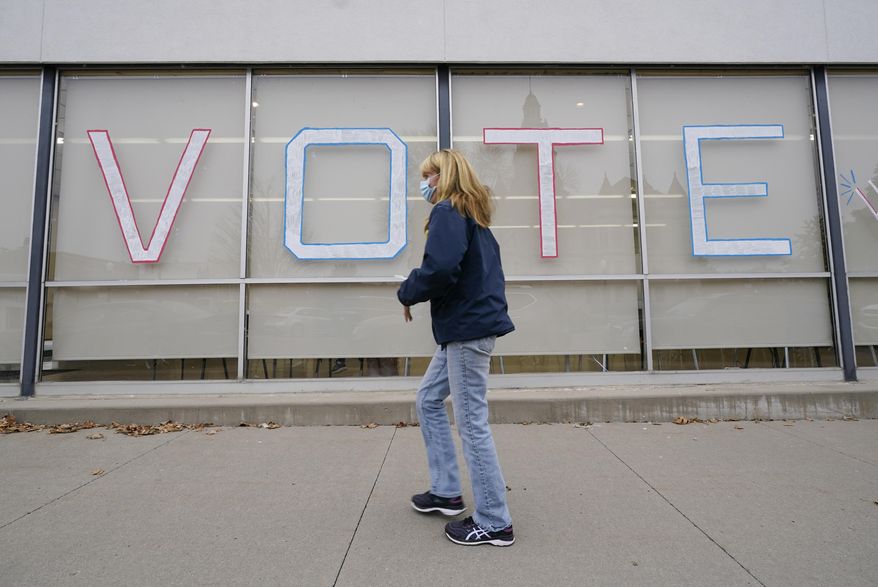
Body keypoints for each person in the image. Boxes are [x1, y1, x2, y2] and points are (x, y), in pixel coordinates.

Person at [397, 149, 516, 547]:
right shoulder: (474, 218)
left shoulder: (450, 212)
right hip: (466, 328)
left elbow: (441, 270)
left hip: (466, 331)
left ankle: (495, 521)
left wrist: (408, 291)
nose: (425, 184)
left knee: (471, 423)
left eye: (430, 176)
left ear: (444, 177)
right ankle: (447, 491)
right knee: (429, 399)